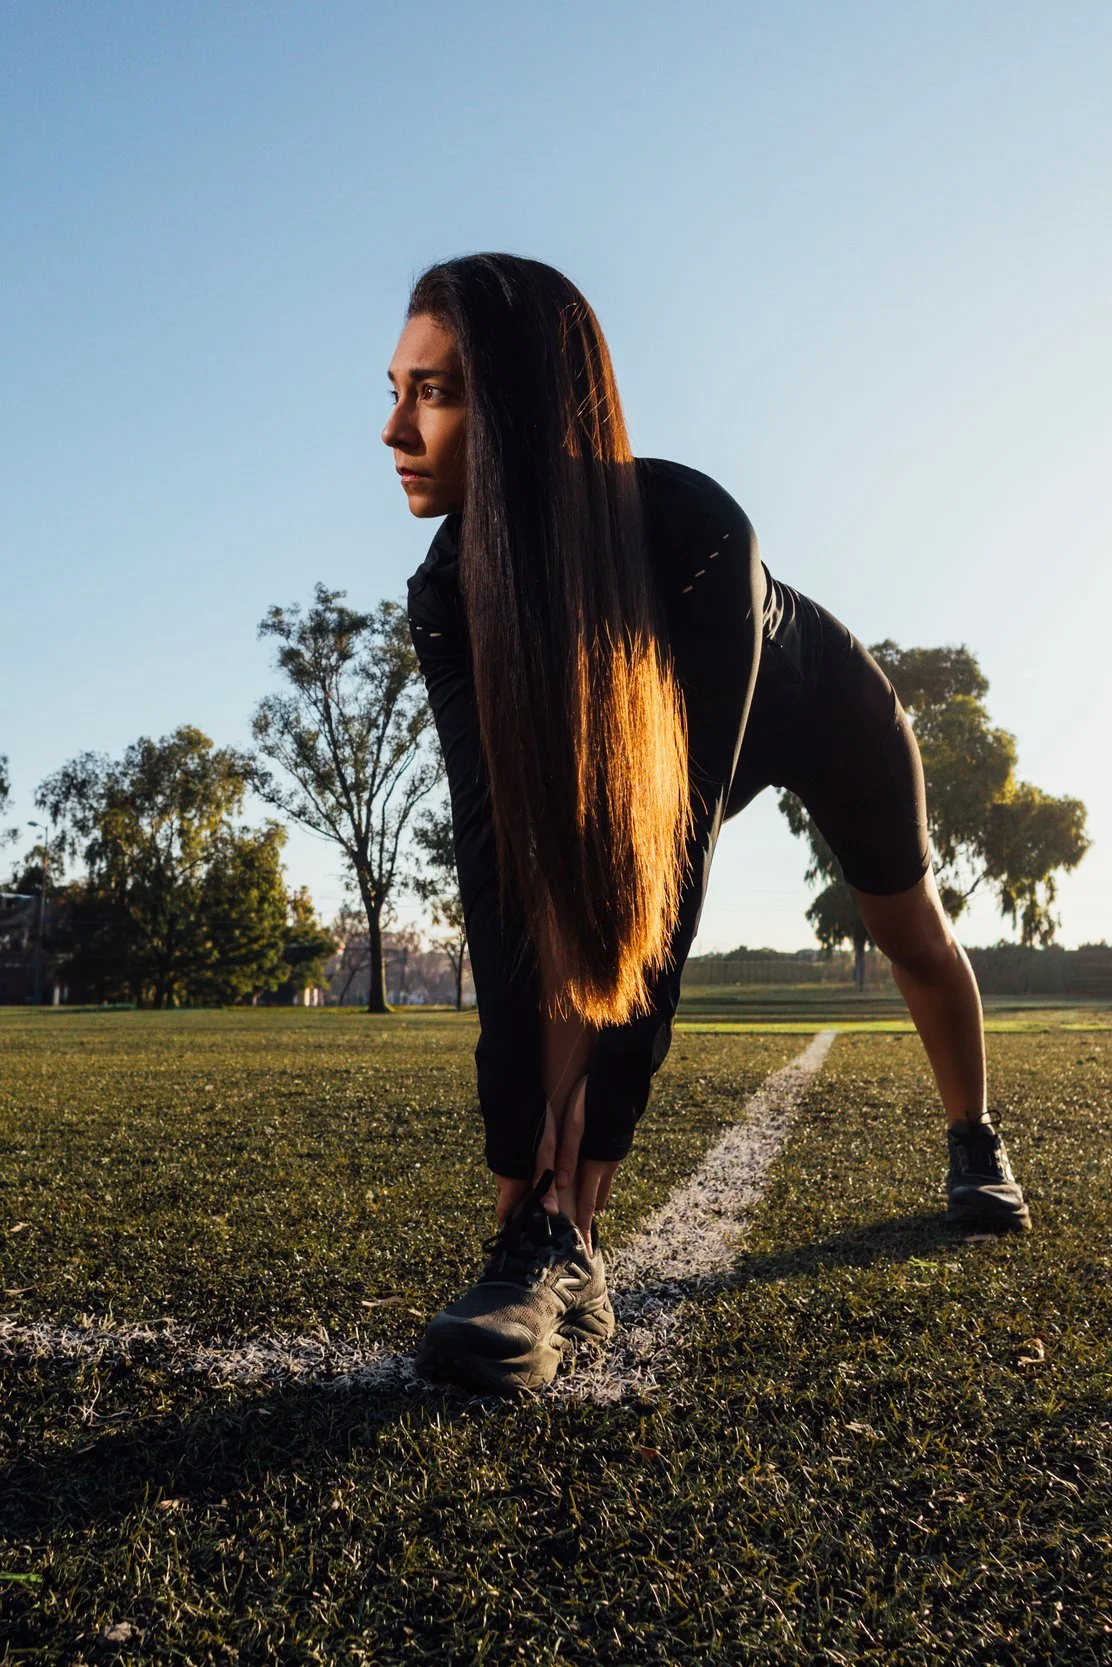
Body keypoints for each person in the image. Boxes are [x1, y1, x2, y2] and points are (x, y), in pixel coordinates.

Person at [386, 254, 1029, 1396]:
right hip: (623, 759)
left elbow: (661, 874)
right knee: (542, 906)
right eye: (394, 388)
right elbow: (502, 879)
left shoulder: (693, 532)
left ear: (524, 405)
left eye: (434, 391)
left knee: (909, 925)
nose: (394, 428)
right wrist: (519, 1188)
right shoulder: (447, 591)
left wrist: (586, 1171)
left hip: (806, 697)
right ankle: (545, 1246)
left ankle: (973, 1139)